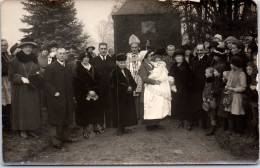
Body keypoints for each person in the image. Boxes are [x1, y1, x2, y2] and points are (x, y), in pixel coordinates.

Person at [43, 48, 77, 149]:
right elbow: (46, 82)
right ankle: (56, 141)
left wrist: (73, 95)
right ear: (56, 55)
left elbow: (72, 82)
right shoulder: (51, 67)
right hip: (56, 97)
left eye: (64, 53)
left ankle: (66, 137)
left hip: (67, 97)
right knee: (55, 119)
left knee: (67, 116)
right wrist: (54, 92)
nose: (62, 55)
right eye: (60, 54)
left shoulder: (69, 67)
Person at [8, 38, 41, 138]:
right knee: (22, 108)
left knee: (32, 108)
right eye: (26, 47)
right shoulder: (15, 60)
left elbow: (38, 70)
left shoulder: (35, 59)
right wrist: (21, 78)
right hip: (21, 88)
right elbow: (11, 75)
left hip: (33, 87)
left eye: (30, 47)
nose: (28, 49)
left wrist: (38, 74)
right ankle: (22, 129)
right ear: (21, 48)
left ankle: (31, 129)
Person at [74, 53, 101, 139]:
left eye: (87, 57)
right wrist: (88, 91)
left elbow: (98, 80)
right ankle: (85, 130)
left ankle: (95, 127)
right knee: (84, 112)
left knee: (95, 109)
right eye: (84, 58)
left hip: (94, 93)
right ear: (81, 59)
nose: (86, 59)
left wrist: (94, 90)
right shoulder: (78, 69)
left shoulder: (93, 68)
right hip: (83, 94)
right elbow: (78, 83)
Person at [110, 53, 138, 136]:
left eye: (124, 62)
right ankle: (119, 129)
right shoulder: (114, 72)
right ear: (117, 63)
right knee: (119, 112)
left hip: (127, 96)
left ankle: (124, 127)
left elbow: (133, 82)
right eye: (120, 63)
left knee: (126, 112)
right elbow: (114, 85)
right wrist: (126, 88)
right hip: (119, 96)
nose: (122, 64)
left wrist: (132, 87)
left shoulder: (127, 70)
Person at [138, 50, 166, 131]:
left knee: (155, 105)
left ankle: (155, 123)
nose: (151, 57)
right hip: (147, 89)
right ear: (145, 58)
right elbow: (144, 78)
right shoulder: (142, 66)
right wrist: (154, 81)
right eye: (149, 56)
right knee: (149, 106)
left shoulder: (151, 64)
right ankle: (149, 125)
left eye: (151, 56)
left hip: (153, 89)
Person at [92, 42, 116, 129]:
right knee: (100, 105)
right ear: (99, 49)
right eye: (101, 49)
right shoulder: (94, 60)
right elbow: (93, 74)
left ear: (107, 49)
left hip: (110, 87)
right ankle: (101, 124)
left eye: (104, 49)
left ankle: (109, 124)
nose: (103, 50)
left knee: (109, 104)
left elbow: (114, 73)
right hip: (99, 87)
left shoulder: (111, 59)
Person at [169, 49, 194, 131]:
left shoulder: (186, 66)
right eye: (176, 56)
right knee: (178, 105)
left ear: (183, 57)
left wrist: (187, 87)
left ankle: (189, 123)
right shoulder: (174, 66)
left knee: (186, 105)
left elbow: (190, 79)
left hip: (185, 89)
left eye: (180, 56)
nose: (178, 58)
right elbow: (170, 75)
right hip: (175, 88)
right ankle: (181, 121)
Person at [191, 44, 212, 128]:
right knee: (195, 102)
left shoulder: (209, 60)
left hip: (205, 84)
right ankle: (195, 121)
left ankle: (204, 123)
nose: (199, 52)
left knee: (204, 102)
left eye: (201, 50)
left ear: (204, 50)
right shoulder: (193, 59)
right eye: (198, 50)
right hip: (195, 85)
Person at [224, 56, 247, 134]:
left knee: (237, 114)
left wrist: (233, 89)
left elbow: (243, 87)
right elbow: (228, 82)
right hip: (231, 95)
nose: (230, 65)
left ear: (235, 64)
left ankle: (240, 131)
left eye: (231, 63)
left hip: (237, 96)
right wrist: (227, 87)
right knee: (231, 114)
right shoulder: (232, 72)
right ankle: (233, 129)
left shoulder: (241, 74)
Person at [126, 35, 146, 122]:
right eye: (132, 47)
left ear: (138, 48)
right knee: (132, 97)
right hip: (131, 78)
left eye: (135, 47)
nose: (134, 49)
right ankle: (133, 116)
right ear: (130, 47)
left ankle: (141, 115)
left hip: (139, 78)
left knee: (140, 97)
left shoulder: (141, 55)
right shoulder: (127, 55)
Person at [207, 64, 225, 135]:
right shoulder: (215, 79)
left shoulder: (222, 80)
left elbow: (222, 89)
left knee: (219, 113)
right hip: (214, 98)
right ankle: (213, 127)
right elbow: (212, 86)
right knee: (213, 112)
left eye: (215, 71)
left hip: (219, 98)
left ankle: (221, 127)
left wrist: (214, 92)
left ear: (219, 72)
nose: (214, 72)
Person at [244, 62, 258, 139]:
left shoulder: (256, 77)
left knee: (255, 118)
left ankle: (255, 136)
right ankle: (253, 134)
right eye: (247, 69)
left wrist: (254, 88)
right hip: (252, 100)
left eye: (250, 69)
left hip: (255, 101)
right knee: (252, 117)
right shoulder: (251, 77)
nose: (248, 71)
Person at [2, 39, 13, 131]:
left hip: (8, 80)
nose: (3, 47)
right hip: (1, 80)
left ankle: (8, 124)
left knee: (9, 102)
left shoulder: (9, 56)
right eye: (1, 45)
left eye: (5, 45)